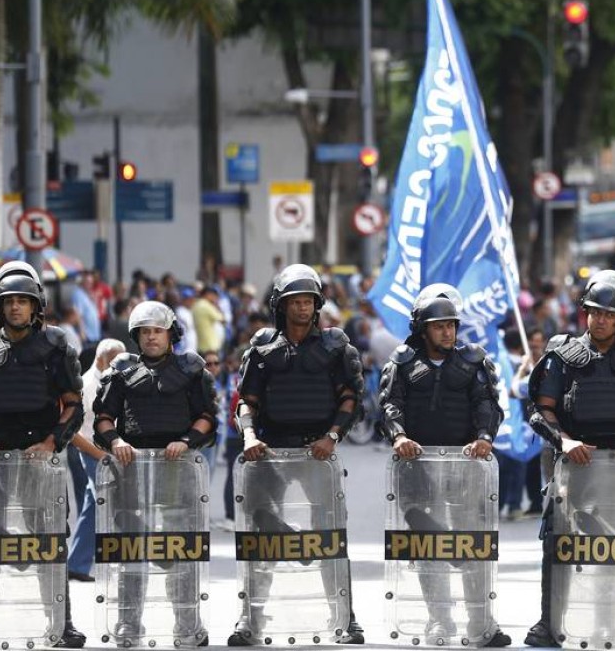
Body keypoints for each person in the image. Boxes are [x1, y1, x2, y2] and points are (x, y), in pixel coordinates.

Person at [523, 270, 615, 648]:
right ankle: (549, 620)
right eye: (594, 312)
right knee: (559, 543)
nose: (600, 320)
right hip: (575, 467)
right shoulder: (563, 355)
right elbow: (541, 410)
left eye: (609, 315)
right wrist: (565, 440)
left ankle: (609, 624)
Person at [0, 261, 87, 647]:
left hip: (36, 460)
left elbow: (75, 405)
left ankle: (60, 623)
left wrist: (50, 443)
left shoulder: (55, 345)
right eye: (9, 301)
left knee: (49, 542)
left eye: (24, 301)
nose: (16, 308)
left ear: (36, 305)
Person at [228, 264, 367, 646]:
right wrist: (250, 436)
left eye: (309, 301)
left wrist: (333, 436)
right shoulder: (262, 348)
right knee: (260, 537)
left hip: (317, 452)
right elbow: (246, 402)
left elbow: (351, 398)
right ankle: (249, 619)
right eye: (296, 302)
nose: (303, 308)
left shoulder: (335, 346)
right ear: (282, 305)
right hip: (270, 451)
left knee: (330, 537)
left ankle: (345, 618)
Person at [378, 285, 510, 647]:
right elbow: (390, 405)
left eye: (451, 324)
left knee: (472, 546)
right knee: (428, 548)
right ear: (422, 328)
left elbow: (487, 404)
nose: (448, 332)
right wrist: (399, 436)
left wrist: (485, 436)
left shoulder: (474, 361)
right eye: (439, 326)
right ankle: (440, 620)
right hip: (417, 469)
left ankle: (480, 622)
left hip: (466, 468)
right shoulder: (402, 362)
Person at [92, 302, 218, 645]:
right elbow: (103, 416)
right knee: (130, 551)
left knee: (181, 551)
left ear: (169, 334)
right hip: (132, 471)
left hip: (178, 471)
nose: (151, 337)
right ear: (136, 336)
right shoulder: (121, 369)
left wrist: (186, 440)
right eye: (145, 332)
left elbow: (207, 416)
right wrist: (116, 440)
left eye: (157, 331)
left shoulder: (191, 368)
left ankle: (187, 623)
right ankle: (128, 624)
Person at [67, 338, 127, 582]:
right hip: (93, 452)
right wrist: (99, 455)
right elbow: (74, 429)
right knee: (104, 502)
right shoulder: (89, 385)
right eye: (114, 360)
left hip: (111, 451)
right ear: (102, 359)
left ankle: (79, 563)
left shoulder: (115, 380)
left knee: (95, 503)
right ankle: (85, 563)